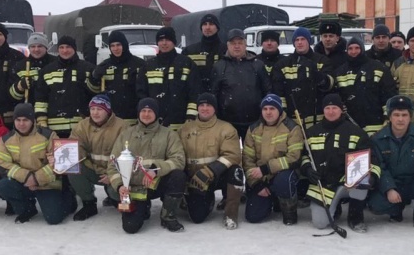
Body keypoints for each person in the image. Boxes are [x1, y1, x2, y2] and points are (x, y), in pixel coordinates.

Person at [108, 98, 187, 233]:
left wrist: (155, 169)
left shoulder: (168, 134)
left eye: (150, 111)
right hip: (133, 188)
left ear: (156, 113)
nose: (146, 114)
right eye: (143, 111)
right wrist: (120, 185)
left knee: (178, 176)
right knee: (130, 227)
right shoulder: (126, 135)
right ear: (138, 113)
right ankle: (143, 208)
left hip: (156, 184)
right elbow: (112, 164)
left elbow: (178, 160)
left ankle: (168, 216)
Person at [301, 94, 376, 232]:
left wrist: (371, 177)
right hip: (323, 185)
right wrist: (307, 169)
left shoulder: (356, 132)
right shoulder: (311, 132)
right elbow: (304, 156)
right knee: (320, 223)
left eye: (334, 107)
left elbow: (371, 159)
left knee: (361, 179)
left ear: (341, 109)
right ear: (323, 110)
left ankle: (355, 217)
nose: (331, 111)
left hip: (347, 182)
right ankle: (335, 209)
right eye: (327, 108)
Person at [368, 95, 414, 228]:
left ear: (410, 117)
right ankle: (396, 209)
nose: (400, 119)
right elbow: (381, 168)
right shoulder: (377, 139)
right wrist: (389, 188)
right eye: (396, 115)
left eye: (404, 115)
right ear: (390, 117)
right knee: (375, 205)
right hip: (394, 182)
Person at [0, 103, 71, 225]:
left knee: (54, 218)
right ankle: (27, 209)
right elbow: (1, 164)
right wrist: (26, 177)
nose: (21, 124)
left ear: (33, 120)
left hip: (47, 184)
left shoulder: (48, 135)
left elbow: (61, 162)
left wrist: (36, 179)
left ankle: (69, 199)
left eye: (25, 120)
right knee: (3, 186)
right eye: (18, 120)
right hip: (23, 183)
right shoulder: (6, 139)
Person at [179, 93, 245, 229]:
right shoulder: (184, 129)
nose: (204, 108)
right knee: (197, 218)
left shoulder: (226, 128)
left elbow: (232, 155)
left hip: (218, 175)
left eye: (208, 105)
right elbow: (178, 156)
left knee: (236, 171)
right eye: (201, 105)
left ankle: (230, 214)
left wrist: (209, 172)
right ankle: (205, 201)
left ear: (214, 108)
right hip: (196, 179)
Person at [242, 94, 303, 225]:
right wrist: (257, 184)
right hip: (261, 177)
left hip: (283, 173)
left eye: (272, 109)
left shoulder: (292, 128)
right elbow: (247, 160)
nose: (268, 112)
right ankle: (272, 200)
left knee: (283, 181)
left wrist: (266, 168)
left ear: (279, 110)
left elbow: (294, 158)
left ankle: (289, 212)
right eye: (265, 109)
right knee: (253, 217)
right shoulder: (253, 129)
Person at [67, 94, 127, 220]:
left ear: (108, 111)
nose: (95, 113)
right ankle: (88, 203)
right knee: (72, 167)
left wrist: (113, 176)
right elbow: (75, 148)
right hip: (93, 170)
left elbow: (129, 157)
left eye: (99, 109)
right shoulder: (82, 126)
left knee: (116, 193)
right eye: (92, 109)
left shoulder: (122, 127)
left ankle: (115, 198)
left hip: (114, 173)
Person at [211, 28, 272, 140]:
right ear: (228, 46)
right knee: (231, 155)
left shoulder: (257, 65)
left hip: (255, 122)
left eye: (240, 43)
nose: (237, 46)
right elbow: (214, 94)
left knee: (253, 155)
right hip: (227, 123)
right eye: (233, 43)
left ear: (245, 45)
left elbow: (267, 91)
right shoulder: (219, 66)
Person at [35, 35, 99, 138]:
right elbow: (41, 100)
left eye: (68, 47)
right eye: (61, 47)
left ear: (74, 49)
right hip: (54, 131)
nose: (65, 51)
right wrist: (42, 121)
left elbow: (95, 95)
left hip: (81, 127)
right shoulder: (47, 71)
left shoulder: (87, 68)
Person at [136, 26, 199, 130]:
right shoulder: (148, 66)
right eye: (161, 40)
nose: (164, 43)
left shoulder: (186, 63)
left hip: (181, 123)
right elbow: (141, 93)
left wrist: (190, 116)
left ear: (174, 42)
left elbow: (195, 91)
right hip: (154, 124)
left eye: (168, 40)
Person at [334, 36, 397, 135]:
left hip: (376, 123)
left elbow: (389, 95)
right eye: (350, 48)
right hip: (350, 124)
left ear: (362, 49)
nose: (353, 51)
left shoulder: (378, 68)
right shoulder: (340, 72)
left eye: (357, 48)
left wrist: (387, 118)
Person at [272, 27, 334, 128]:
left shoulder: (322, 61)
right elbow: (279, 92)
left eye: (303, 39)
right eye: (297, 40)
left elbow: (330, 85)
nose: (300, 42)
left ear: (309, 41)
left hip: (317, 120)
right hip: (292, 120)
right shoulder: (283, 64)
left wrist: (316, 73)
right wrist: (284, 113)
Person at [91, 30, 145, 124]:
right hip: (110, 120)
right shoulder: (104, 66)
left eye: (118, 45)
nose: (115, 48)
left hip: (133, 119)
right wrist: (94, 78)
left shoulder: (139, 64)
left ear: (124, 45)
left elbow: (145, 92)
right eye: (112, 46)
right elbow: (94, 91)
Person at [9, 33, 55, 110]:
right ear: (29, 48)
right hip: (29, 111)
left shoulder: (56, 63)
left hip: (52, 110)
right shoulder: (20, 66)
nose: (36, 49)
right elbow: (12, 96)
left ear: (46, 47)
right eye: (33, 46)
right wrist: (20, 86)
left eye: (40, 46)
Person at [182, 13, 226, 93]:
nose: (208, 27)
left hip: (221, 97)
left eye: (211, 24)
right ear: (201, 27)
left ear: (217, 28)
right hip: (197, 98)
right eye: (205, 24)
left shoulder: (225, 50)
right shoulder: (190, 51)